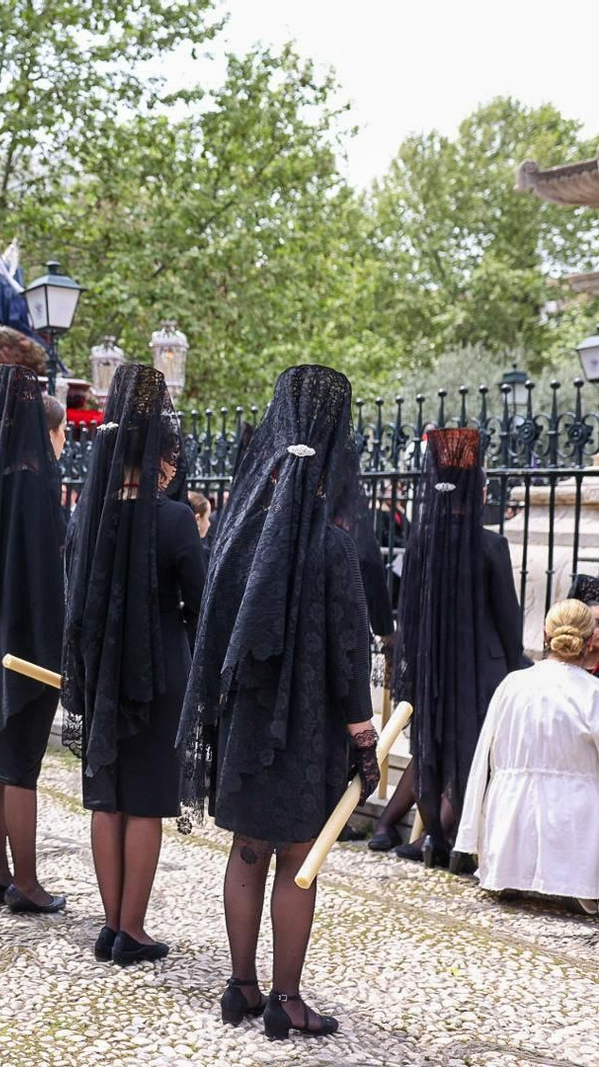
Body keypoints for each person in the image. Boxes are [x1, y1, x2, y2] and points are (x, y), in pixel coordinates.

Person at [177, 364, 380, 1041]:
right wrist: (363, 733)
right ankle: (286, 998)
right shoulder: (332, 544)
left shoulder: (238, 533)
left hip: (243, 725)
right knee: (296, 859)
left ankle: (241, 985)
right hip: (306, 732)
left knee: (246, 849)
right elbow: (350, 650)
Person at [63, 363, 205, 965]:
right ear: (160, 457)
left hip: (100, 668)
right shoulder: (173, 519)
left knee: (107, 795)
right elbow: (200, 604)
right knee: (146, 800)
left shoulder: (85, 515)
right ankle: (133, 929)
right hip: (158, 671)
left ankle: (109, 924)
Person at [375, 429, 526, 868]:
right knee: (472, 754)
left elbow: (408, 607)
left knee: (430, 749)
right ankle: (453, 841)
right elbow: (508, 619)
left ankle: (434, 840)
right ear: (477, 491)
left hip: (431, 666)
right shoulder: (491, 545)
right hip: (482, 669)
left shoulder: (422, 542)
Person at [0, 365, 69, 913]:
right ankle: (25, 881)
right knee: (21, 765)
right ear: (48, 432)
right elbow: (48, 580)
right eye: (63, 430)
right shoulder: (37, 486)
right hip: (29, 650)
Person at [456, 599, 599, 915]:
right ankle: (576, 883)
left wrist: (471, 837)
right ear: (590, 642)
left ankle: (512, 872)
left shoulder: (513, 684)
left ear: (544, 636)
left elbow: (482, 763)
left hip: (509, 833)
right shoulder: (592, 694)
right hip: (575, 836)